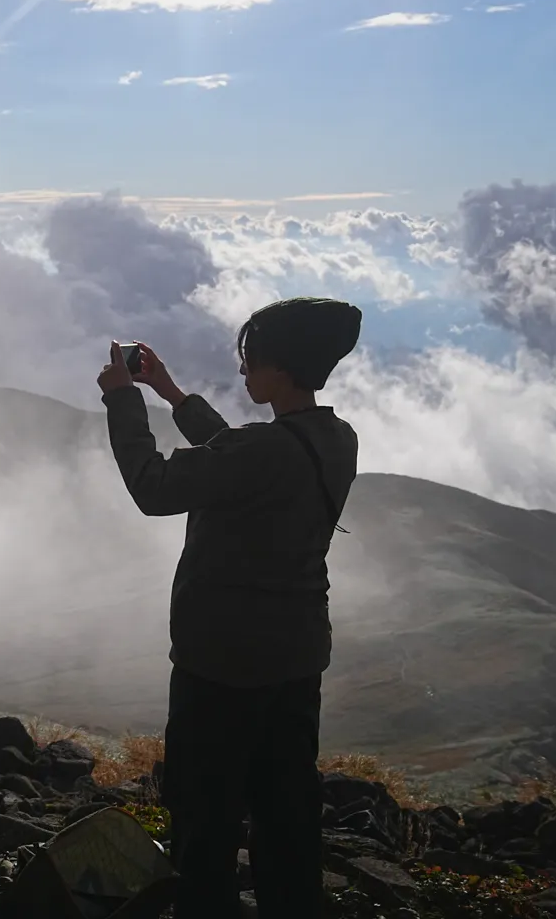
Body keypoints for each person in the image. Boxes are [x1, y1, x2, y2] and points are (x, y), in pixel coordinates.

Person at [95, 297, 363, 919]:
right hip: (295, 659)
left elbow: (153, 487)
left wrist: (123, 398)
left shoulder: (260, 451)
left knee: (204, 815)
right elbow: (240, 456)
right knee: (286, 812)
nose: (243, 370)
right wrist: (168, 390)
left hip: (220, 665)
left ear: (280, 366)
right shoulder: (335, 438)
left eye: (251, 359)